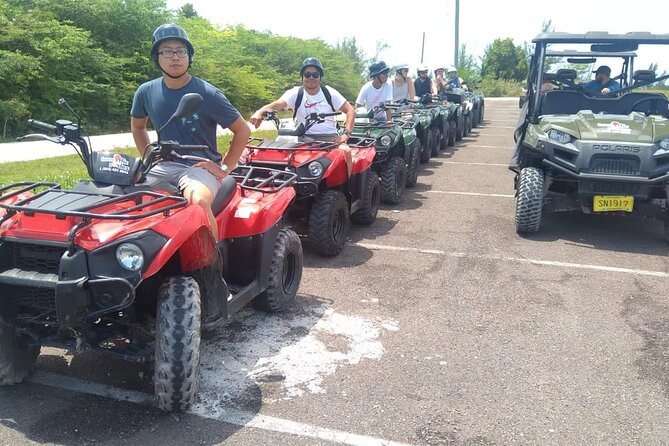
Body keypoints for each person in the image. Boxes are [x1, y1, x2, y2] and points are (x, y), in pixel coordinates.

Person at [130, 23, 250, 239]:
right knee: (123, 192)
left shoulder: (208, 93)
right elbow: (138, 126)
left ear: (189, 56)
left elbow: (242, 130)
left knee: (199, 202)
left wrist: (224, 168)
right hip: (163, 165)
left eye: (181, 51)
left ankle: (210, 267)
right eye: (167, 51)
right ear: (156, 57)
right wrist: (148, 157)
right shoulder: (146, 91)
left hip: (199, 166)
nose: (175, 57)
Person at [249, 57, 355, 144]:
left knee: (345, 152)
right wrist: (260, 112)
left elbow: (350, 111)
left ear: (320, 77)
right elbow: (277, 105)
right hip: (302, 137)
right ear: (302, 76)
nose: (311, 78)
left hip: (329, 137)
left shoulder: (329, 93)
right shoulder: (296, 93)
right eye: (307, 74)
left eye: (315, 75)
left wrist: (346, 134)